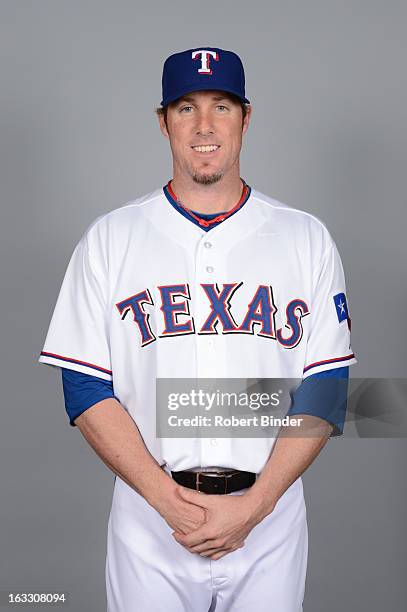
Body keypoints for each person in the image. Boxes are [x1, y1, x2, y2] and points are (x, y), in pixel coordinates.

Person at [39, 47, 356, 611]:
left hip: (269, 518)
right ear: (163, 122)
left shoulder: (305, 238)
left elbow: (325, 390)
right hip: (149, 517)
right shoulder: (110, 239)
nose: (204, 126)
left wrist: (256, 506)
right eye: (186, 108)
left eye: (222, 106)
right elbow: (84, 388)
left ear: (246, 118)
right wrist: (168, 502)